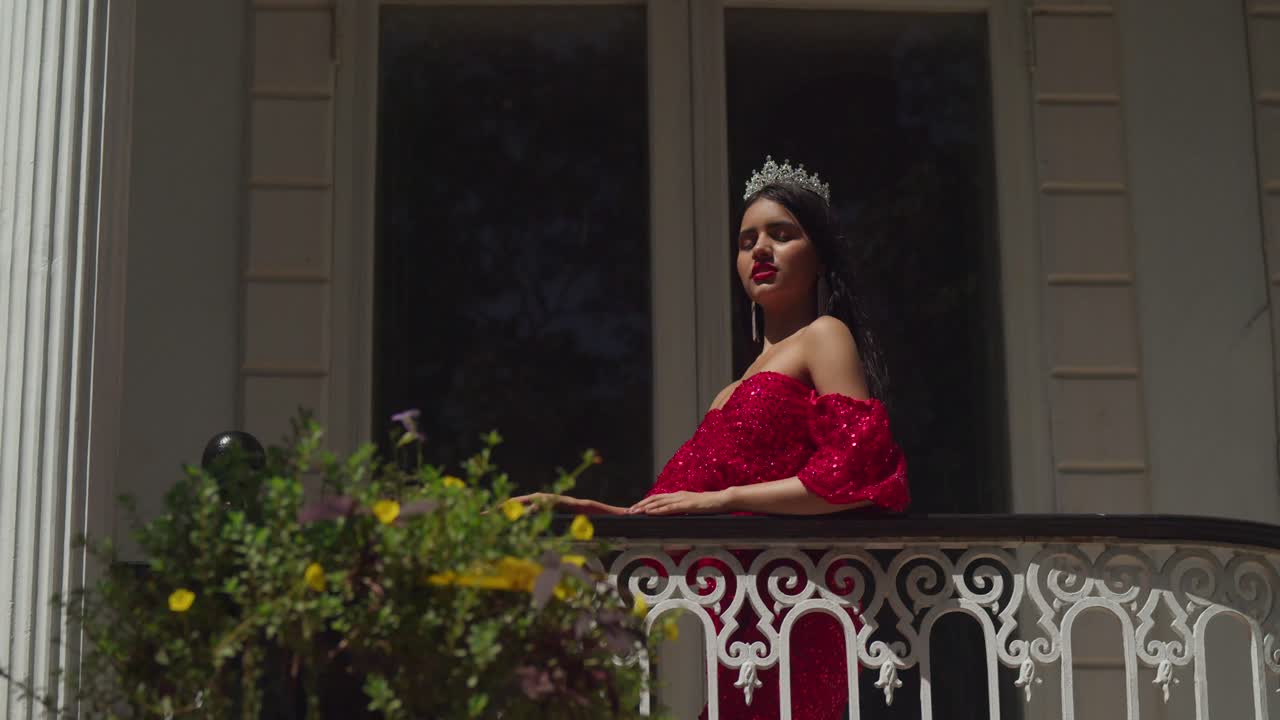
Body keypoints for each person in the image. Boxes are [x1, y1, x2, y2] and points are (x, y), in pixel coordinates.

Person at [518, 157, 910, 718]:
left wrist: (726, 499)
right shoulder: (728, 392)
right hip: (741, 632)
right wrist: (585, 511)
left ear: (820, 256)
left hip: (800, 612)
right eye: (747, 241)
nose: (761, 250)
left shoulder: (824, 336)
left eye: (782, 234)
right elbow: (677, 510)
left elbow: (857, 474)